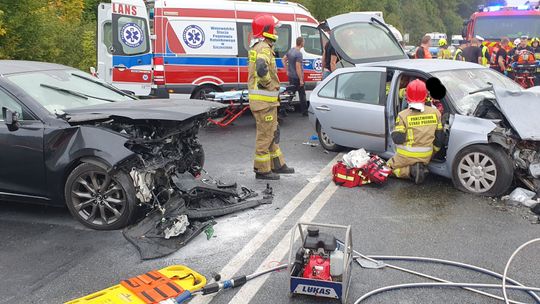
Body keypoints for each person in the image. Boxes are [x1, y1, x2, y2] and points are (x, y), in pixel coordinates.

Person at [248, 14, 294, 180]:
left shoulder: (260, 46)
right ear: (267, 30)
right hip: (263, 102)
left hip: (266, 102)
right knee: (265, 136)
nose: (276, 32)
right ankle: (262, 170)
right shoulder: (263, 48)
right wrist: (271, 85)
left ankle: (277, 165)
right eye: (274, 28)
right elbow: (261, 69)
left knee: (272, 133)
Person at [387, 79, 444, 184]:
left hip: (405, 155)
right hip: (427, 155)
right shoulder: (436, 113)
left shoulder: (403, 115)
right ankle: (418, 166)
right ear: (426, 95)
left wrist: (394, 130)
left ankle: (411, 171)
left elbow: (398, 139)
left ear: (407, 97)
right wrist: (433, 152)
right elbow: (439, 138)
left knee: (386, 169)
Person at [283, 37, 308, 116]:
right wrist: (301, 79)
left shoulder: (291, 50)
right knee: (302, 95)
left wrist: (287, 70)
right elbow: (298, 67)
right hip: (297, 77)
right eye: (304, 42)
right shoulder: (298, 54)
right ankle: (305, 112)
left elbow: (283, 59)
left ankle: (283, 108)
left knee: (291, 93)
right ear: (301, 43)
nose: (304, 43)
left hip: (291, 76)